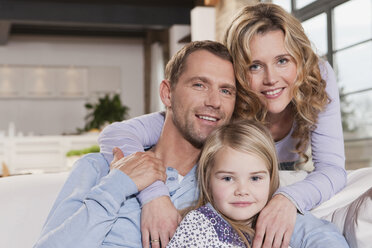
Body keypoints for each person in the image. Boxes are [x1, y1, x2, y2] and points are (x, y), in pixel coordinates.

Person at [98, 3, 347, 248]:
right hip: (232, 185)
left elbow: (333, 169)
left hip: (278, 182)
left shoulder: (317, 78)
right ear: (238, 72)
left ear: (300, 60)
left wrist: (287, 198)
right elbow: (118, 134)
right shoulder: (225, 102)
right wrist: (154, 194)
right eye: (255, 66)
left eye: (282, 60)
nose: (271, 79)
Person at [33, 40, 237, 248]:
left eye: (226, 91)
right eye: (199, 85)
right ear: (167, 93)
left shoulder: (228, 186)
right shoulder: (97, 168)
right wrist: (119, 185)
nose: (214, 101)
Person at [166, 120, 348, 248]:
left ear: (270, 178)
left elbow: (323, 237)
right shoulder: (198, 225)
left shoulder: (280, 216)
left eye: (255, 178)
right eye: (228, 178)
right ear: (208, 179)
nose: (242, 191)